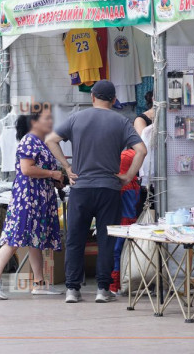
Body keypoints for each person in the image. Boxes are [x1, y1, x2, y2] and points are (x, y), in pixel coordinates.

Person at [46, 80, 146, 303]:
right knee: (105, 240)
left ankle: (72, 289)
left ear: (92, 97)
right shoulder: (121, 122)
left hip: (81, 188)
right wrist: (128, 177)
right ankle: (103, 289)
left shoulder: (76, 118)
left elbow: (51, 140)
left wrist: (67, 167)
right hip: (109, 189)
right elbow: (142, 150)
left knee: (75, 239)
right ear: (113, 100)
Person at [0, 107, 63, 300]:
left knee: (34, 239)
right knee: (15, 236)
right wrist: (52, 174)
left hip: (39, 197)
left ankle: (39, 282)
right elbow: (27, 169)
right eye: (46, 119)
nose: (50, 122)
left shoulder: (40, 142)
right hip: (28, 197)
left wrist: (56, 178)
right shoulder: (29, 141)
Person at [109, 149, 141, 294]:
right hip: (130, 223)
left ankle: (114, 285)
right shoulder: (134, 185)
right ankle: (121, 283)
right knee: (125, 252)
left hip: (120, 224)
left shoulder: (122, 186)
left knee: (116, 252)